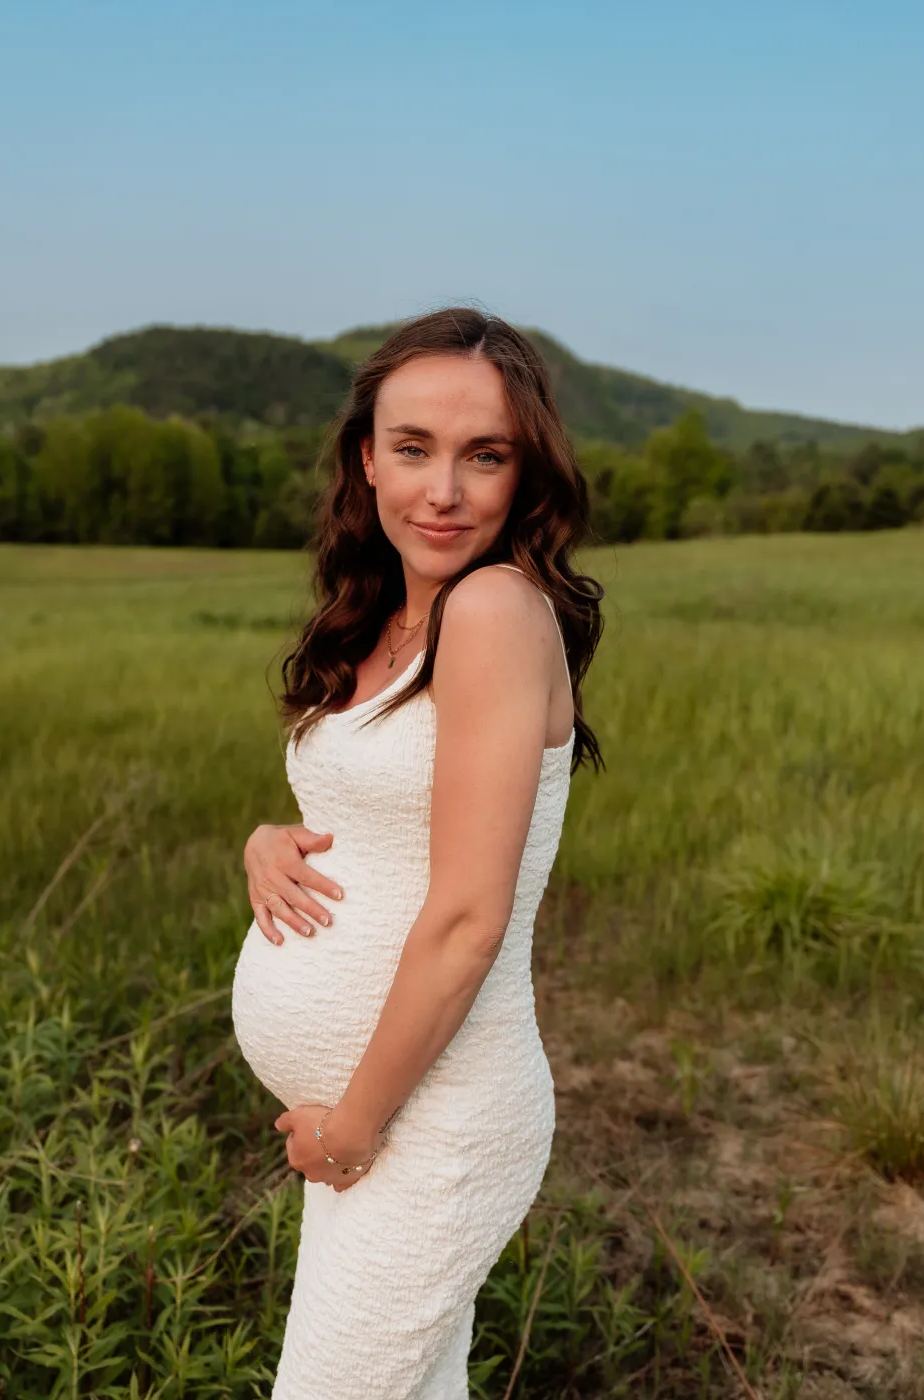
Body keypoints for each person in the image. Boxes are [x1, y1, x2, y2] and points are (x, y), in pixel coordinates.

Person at [230, 306, 605, 1398]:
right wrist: (265, 840)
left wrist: (352, 1128)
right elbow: (377, 811)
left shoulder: (492, 607)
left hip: (424, 1123)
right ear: (366, 458)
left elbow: (470, 918)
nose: (443, 490)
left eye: (484, 455)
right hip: (377, 1114)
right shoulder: (387, 614)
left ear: (525, 472)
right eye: (413, 448)